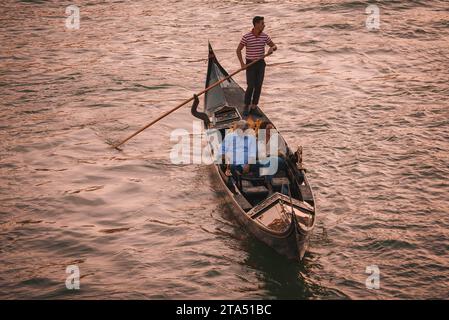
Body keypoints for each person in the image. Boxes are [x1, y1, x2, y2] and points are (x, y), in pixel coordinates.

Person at [236, 16, 277, 116]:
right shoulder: (246, 37)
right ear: (256, 24)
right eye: (262, 23)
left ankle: (254, 107)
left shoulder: (265, 36)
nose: (264, 25)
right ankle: (246, 105)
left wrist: (272, 49)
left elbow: (274, 46)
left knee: (258, 85)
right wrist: (242, 64)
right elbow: (238, 50)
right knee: (251, 86)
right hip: (250, 63)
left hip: (260, 64)